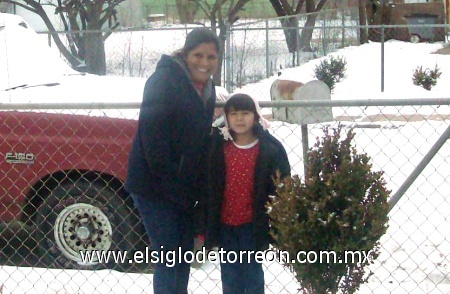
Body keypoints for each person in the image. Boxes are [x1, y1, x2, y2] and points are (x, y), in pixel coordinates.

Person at [125, 27, 220, 294]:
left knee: (183, 255)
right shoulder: (163, 81)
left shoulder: (207, 88)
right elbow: (152, 141)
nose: (204, 63)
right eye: (198, 55)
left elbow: (200, 140)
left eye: (211, 57)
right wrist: (173, 186)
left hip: (182, 188)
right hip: (153, 186)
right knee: (169, 256)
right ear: (186, 53)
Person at [205, 93, 291, 294]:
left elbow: (282, 186)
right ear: (226, 117)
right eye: (233, 113)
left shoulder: (270, 149)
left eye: (245, 113)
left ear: (256, 115)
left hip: (253, 224)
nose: (239, 119)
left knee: (252, 273)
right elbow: (208, 183)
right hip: (225, 223)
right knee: (230, 275)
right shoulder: (218, 146)